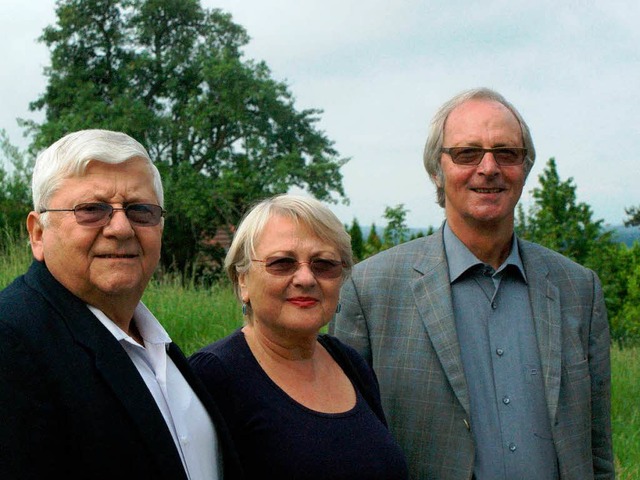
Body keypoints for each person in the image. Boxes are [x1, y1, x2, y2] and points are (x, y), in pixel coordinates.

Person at [329, 88, 614, 479]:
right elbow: (347, 447)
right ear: (436, 170)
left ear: (525, 168)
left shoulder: (579, 289)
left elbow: (597, 452)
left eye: (506, 153)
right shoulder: (370, 289)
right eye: (467, 154)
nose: (489, 167)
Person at [0, 129, 243, 480]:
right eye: (91, 210)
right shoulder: (13, 344)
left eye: (140, 210)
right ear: (38, 234)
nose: (120, 227)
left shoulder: (155, 343)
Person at [189, 194, 408, 480]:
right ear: (242, 280)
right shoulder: (213, 377)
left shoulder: (350, 363)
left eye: (324, 264)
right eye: (282, 263)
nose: (306, 278)